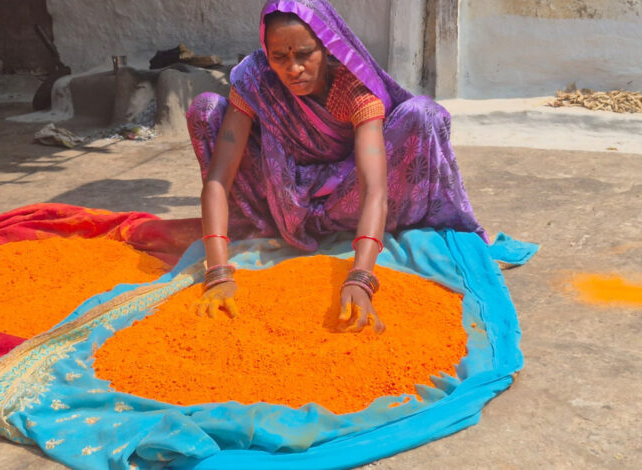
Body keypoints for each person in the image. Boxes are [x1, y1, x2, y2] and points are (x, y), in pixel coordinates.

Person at [186, 0, 486, 333]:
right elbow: (219, 178)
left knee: (422, 113)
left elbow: (374, 189)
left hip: (346, 196)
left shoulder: (354, 90)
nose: (293, 69)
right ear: (266, 54)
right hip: (281, 195)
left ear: (326, 49)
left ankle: (337, 229)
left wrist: (360, 278)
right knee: (206, 109)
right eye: (279, 57)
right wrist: (218, 273)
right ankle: (269, 223)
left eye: (305, 54)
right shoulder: (257, 78)